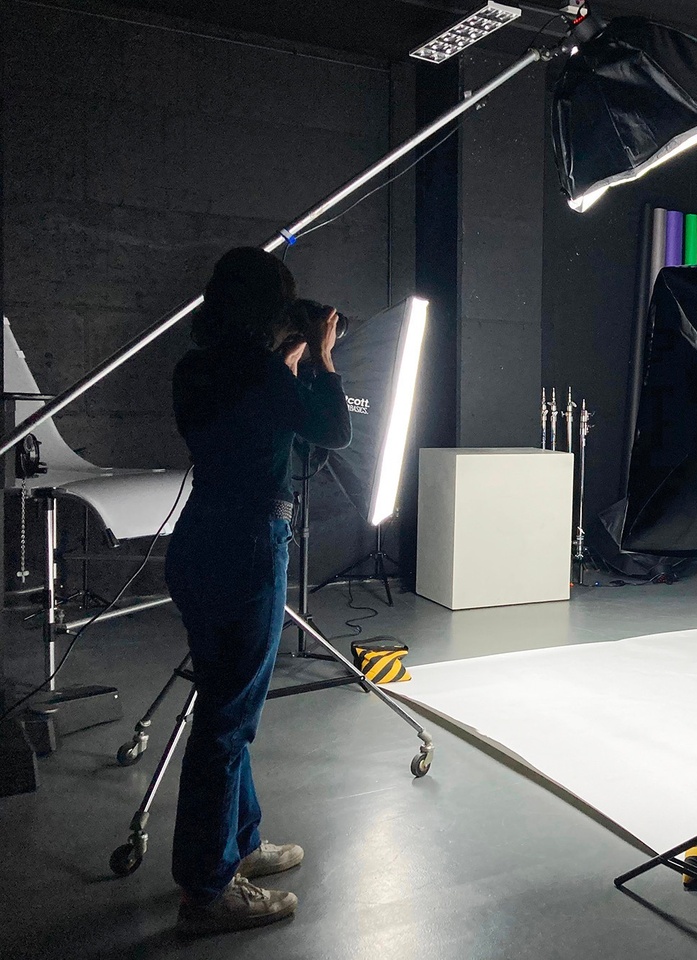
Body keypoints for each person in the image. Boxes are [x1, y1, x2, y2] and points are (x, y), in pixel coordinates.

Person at [166, 247, 351, 935]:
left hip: (198, 542)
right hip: (249, 549)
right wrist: (324, 359)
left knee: (223, 702)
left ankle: (238, 844)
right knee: (226, 721)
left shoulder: (197, 367)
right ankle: (207, 889)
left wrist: (286, 365)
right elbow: (333, 430)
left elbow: (246, 425)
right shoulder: (259, 371)